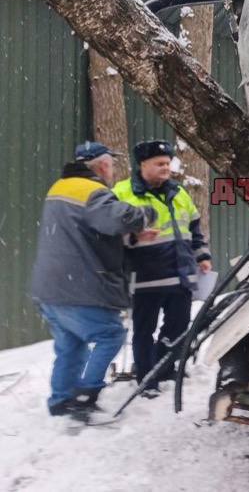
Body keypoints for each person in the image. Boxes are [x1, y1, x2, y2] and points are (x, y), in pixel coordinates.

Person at [29, 142, 157, 420]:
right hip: (79, 289)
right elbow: (120, 218)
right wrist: (146, 215)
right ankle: (86, 395)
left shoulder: (59, 188)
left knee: (70, 345)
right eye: (111, 165)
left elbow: (85, 234)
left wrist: (131, 238)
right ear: (102, 166)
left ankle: (61, 401)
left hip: (50, 289)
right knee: (111, 335)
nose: (112, 171)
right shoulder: (92, 192)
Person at [113, 140, 212, 394]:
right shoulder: (123, 193)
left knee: (178, 327)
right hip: (146, 275)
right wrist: (133, 238)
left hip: (180, 274)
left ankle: (164, 366)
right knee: (144, 330)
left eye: (168, 163)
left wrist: (201, 255)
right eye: (159, 163)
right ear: (143, 165)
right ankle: (147, 378)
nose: (165, 167)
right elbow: (110, 234)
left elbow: (194, 228)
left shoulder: (179, 193)